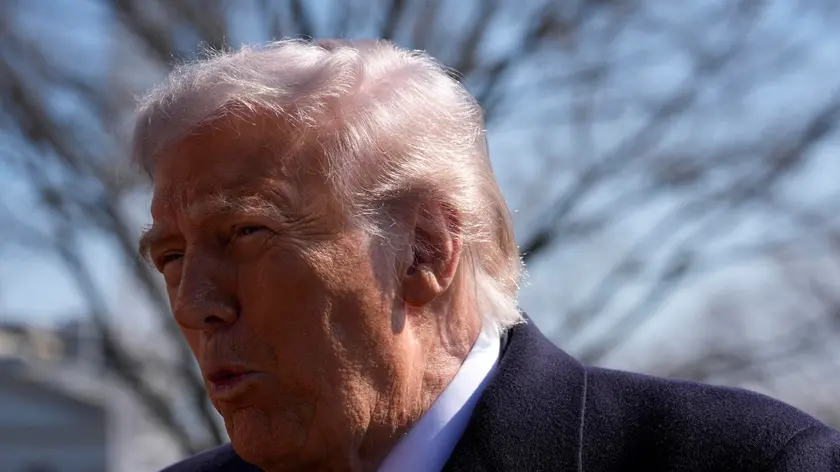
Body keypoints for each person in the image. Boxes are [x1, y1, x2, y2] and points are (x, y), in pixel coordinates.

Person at [133, 39, 840, 472]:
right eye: (170, 258)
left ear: (426, 250)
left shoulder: (755, 462)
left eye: (246, 234)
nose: (193, 305)